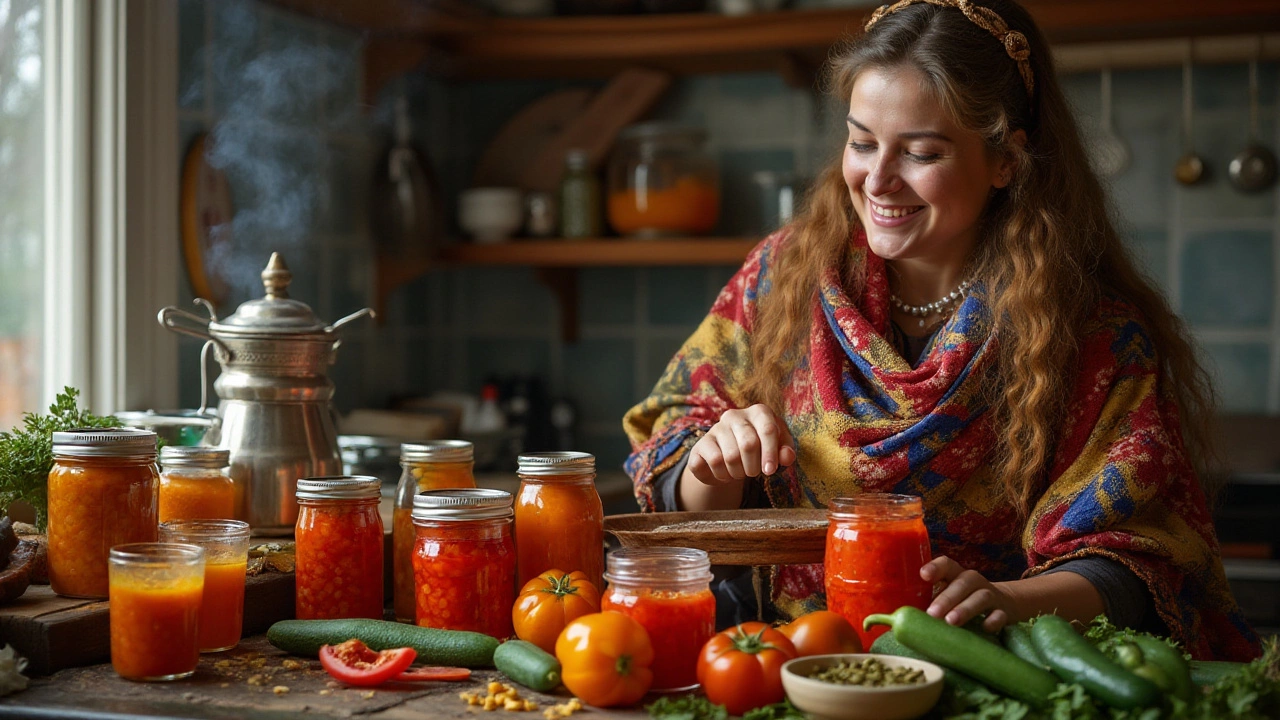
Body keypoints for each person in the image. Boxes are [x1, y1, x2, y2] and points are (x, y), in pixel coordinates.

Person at [621, 0, 1260, 661]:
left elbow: (1140, 561)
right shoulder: (782, 276)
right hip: (773, 661)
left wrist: (1009, 601)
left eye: (921, 152)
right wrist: (711, 462)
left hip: (987, 667)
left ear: (1006, 160)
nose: (878, 179)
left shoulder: (1092, 334)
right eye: (862, 142)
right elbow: (676, 491)